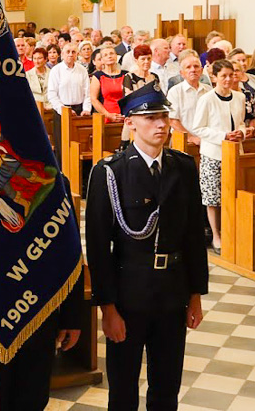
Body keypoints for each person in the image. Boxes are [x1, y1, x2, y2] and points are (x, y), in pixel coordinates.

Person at [85, 83, 208, 411]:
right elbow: (98, 247)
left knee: (167, 387)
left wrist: (195, 295)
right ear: (130, 123)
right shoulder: (111, 172)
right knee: (123, 389)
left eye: (164, 116)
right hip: (129, 293)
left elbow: (194, 234)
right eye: (151, 117)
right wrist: (107, 309)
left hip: (173, 290)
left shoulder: (182, 167)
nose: (161, 125)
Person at [191, 60, 250, 251]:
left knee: (233, 194)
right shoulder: (207, 99)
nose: (227, 79)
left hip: (234, 152)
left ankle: (232, 232)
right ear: (215, 77)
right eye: (223, 76)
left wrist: (241, 133)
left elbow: (241, 122)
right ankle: (216, 235)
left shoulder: (239, 97)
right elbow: (198, 127)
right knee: (212, 198)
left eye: (230, 75)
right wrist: (223, 136)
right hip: (213, 153)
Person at [47, 42, 91, 162]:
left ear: (77, 54)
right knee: (63, 146)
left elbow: (87, 92)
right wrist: (63, 110)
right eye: (68, 52)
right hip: (62, 112)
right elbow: (52, 94)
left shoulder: (82, 70)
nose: (70, 55)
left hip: (79, 112)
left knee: (80, 145)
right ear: (62, 54)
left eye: (73, 52)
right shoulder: (56, 70)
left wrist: (86, 109)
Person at [167, 49, 211, 145]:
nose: (193, 70)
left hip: (206, 142)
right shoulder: (175, 92)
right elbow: (173, 120)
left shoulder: (209, 91)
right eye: (188, 67)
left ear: (201, 70)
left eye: (196, 66)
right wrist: (191, 138)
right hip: (182, 142)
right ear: (182, 73)